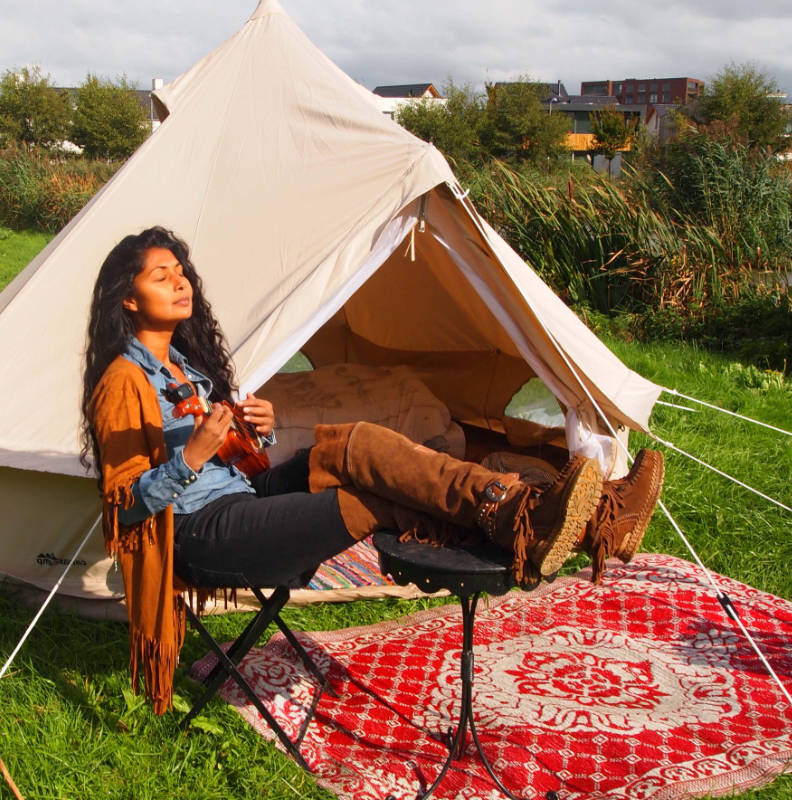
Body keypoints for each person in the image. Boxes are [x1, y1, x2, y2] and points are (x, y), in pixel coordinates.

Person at [81, 226, 661, 714]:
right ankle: (571, 524)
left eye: (180, 270)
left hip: (243, 497)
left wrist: (257, 433)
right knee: (370, 502)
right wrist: (193, 455)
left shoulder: (182, 364)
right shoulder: (122, 382)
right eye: (161, 276)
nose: (180, 281)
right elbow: (126, 506)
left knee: (358, 443)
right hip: (198, 535)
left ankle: (535, 513)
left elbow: (235, 462)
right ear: (127, 299)